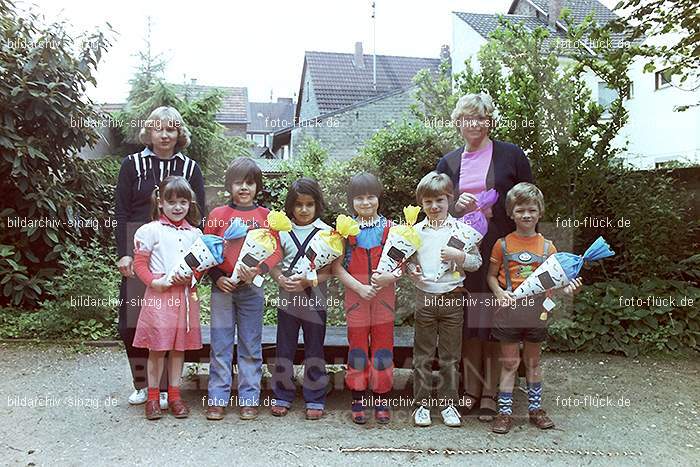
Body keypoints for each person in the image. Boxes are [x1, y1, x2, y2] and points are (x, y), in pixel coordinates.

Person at [436, 92, 532, 421]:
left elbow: (528, 203)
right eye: (467, 118)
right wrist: (455, 206)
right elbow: (435, 210)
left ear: (489, 120)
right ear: (458, 123)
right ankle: (470, 390)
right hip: (460, 254)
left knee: (494, 321)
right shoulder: (447, 163)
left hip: (500, 251)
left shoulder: (512, 155)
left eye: (480, 118)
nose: (473, 124)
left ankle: (491, 392)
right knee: (468, 323)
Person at [115, 106, 205, 409]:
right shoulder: (132, 164)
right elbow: (121, 211)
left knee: (172, 322)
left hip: (175, 253)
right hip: (139, 252)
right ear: (149, 131)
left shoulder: (190, 167)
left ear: (179, 132)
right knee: (132, 322)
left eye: (171, 128)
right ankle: (142, 385)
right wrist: (124, 254)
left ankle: (168, 389)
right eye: (158, 128)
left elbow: (198, 215)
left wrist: (193, 263)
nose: (165, 134)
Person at [487, 183, 581, 434]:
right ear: (511, 213)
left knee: (533, 362)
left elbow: (558, 281)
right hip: (508, 313)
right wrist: (498, 292)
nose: (526, 215)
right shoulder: (502, 245)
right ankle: (504, 412)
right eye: (520, 210)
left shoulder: (548, 247)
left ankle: (535, 409)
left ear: (540, 212)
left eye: (531, 210)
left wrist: (569, 288)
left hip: (537, 313)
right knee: (509, 364)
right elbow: (491, 277)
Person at [407, 172, 482, 427]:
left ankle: (449, 403)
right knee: (423, 356)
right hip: (425, 298)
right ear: (421, 203)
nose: (434, 206)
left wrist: (458, 256)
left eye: (439, 200)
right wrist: (411, 270)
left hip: (453, 299)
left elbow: (476, 263)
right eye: (428, 202)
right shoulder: (415, 232)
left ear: (450, 199)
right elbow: (408, 263)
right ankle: (421, 405)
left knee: (451, 356)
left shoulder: (463, 231)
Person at [203, 157, 275, 421]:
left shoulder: (266, 217)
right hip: (222, 288)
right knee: (220, 345)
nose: (243, 188)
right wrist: (215, 276)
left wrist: (259, 270)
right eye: (237, 183)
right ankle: (217, 399)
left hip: (251, 291)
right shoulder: (217, 215)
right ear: (229, 186)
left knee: (250, 344)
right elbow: (205, 250)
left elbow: (274, 253)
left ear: (257, 186)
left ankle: (248, 399)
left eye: (249, 183)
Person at [131, 176, 203, 419]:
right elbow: (140, 264)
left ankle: (174, 395)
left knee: (178, 349)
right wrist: (155, 282)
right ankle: (153, 397)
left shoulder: (195, 234)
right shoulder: (150, 230)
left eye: (183, 201)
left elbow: (201, 267)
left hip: (184, 295)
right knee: (157, 348)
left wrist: (192, 278)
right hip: (161, 295)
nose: (177, 207)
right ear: (160, 202)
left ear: (190, 203)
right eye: (171, 201)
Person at [332, 173, 398, 425]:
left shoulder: (392, 228)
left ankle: (382, 396)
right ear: (352, 202)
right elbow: (337, 268)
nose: (366, 202)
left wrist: (388, 278)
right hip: (356, 296)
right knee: (357, 346)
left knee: (383, 347)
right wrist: (359, 288)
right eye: (359, 198)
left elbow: (402, 264)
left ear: (379, 198)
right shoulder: (345, 230)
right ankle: (358, 394)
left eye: (371, 196)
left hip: (384, 297)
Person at [267, 178, 332, 420]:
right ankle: (282, 394)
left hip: (315, 296)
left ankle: (315, 397)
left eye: (309, 204)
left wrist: (309, 281)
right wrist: (280, 279)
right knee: (285, 346)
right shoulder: (282, 231)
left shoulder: (327, 232)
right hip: (288, 297)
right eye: (298, 205)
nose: (304, 210)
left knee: (315, 346)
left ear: (317, 205)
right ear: (290, 206)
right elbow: (273, 263)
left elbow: (331, 270)